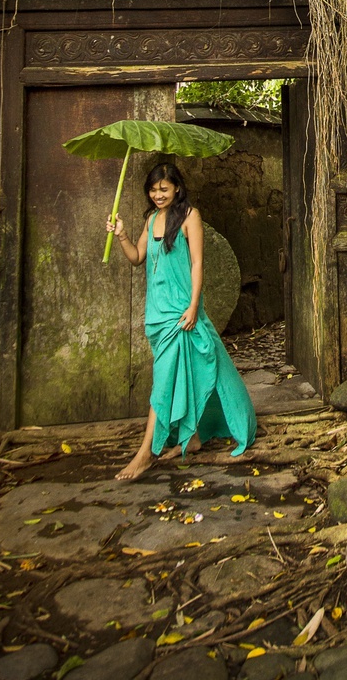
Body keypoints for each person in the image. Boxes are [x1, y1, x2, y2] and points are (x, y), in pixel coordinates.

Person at [106, 161, 257, 480]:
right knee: (183, 374)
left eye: (164, 188)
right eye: (153, 189)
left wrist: (192, 307)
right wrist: (120, 235)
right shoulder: (150, 219)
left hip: (180, 313)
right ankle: (193, 439)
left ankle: (145, 453)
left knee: (163, 382)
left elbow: (198, 265)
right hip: (157, 315)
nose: (158, 194)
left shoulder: (190, 217)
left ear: (177, 188)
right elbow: (136, 258)